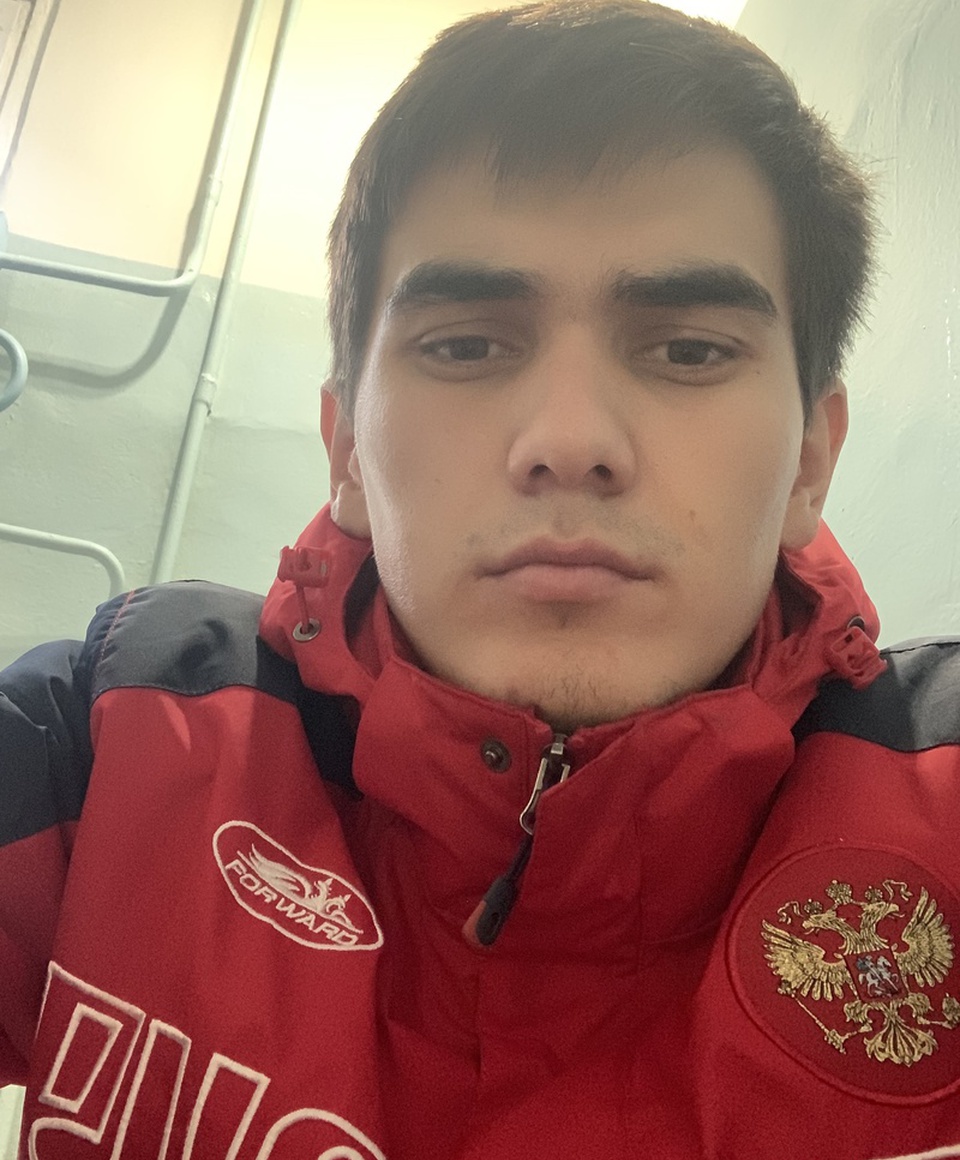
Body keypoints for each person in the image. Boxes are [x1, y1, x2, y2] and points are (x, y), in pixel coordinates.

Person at [2, 1, 959, 1157]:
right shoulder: (110, 736)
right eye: (465, 344)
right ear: (347, 451)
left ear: (809, 458)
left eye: (689, 349)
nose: (569, 439)